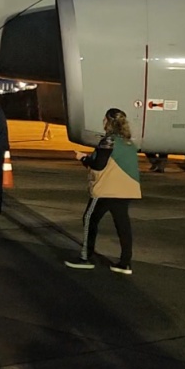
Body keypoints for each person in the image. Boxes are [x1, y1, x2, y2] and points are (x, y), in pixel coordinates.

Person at [65, 108, 141, 275]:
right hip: (127, 189)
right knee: (123, 225)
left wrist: (83, 158)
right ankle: (125, 262)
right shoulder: (129, 143)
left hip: (106, 189)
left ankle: (86, 257)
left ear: (108, 121)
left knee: (89, 219)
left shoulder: (108, 141)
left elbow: (99, 164)